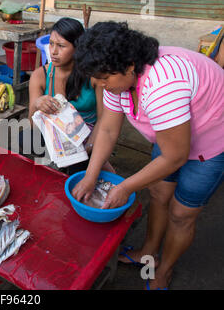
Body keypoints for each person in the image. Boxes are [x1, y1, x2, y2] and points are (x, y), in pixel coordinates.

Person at [71, 21, 224, 290]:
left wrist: (125, 186)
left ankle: (164, 270)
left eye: (104, 77)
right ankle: (148, 252)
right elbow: (107, 130)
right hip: (172, 133)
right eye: (95, 78)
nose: (99, 84)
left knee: (181, 213)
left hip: (212, 141)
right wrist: (90, 176)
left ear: (130, 65)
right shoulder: (118, 81)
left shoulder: (162, 87)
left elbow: (175, 156)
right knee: (158, 192)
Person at [27, 17, 113, 174]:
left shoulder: (93, 75)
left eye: (61, 46)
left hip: (87, 134)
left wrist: (90, 146)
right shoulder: (40, 75)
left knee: (78, 167)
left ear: (77, 48)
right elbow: (32, 125)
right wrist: (37, 103)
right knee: (26, 139)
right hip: (56, 133)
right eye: (51, 44)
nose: (53, 51)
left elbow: (104, 118)